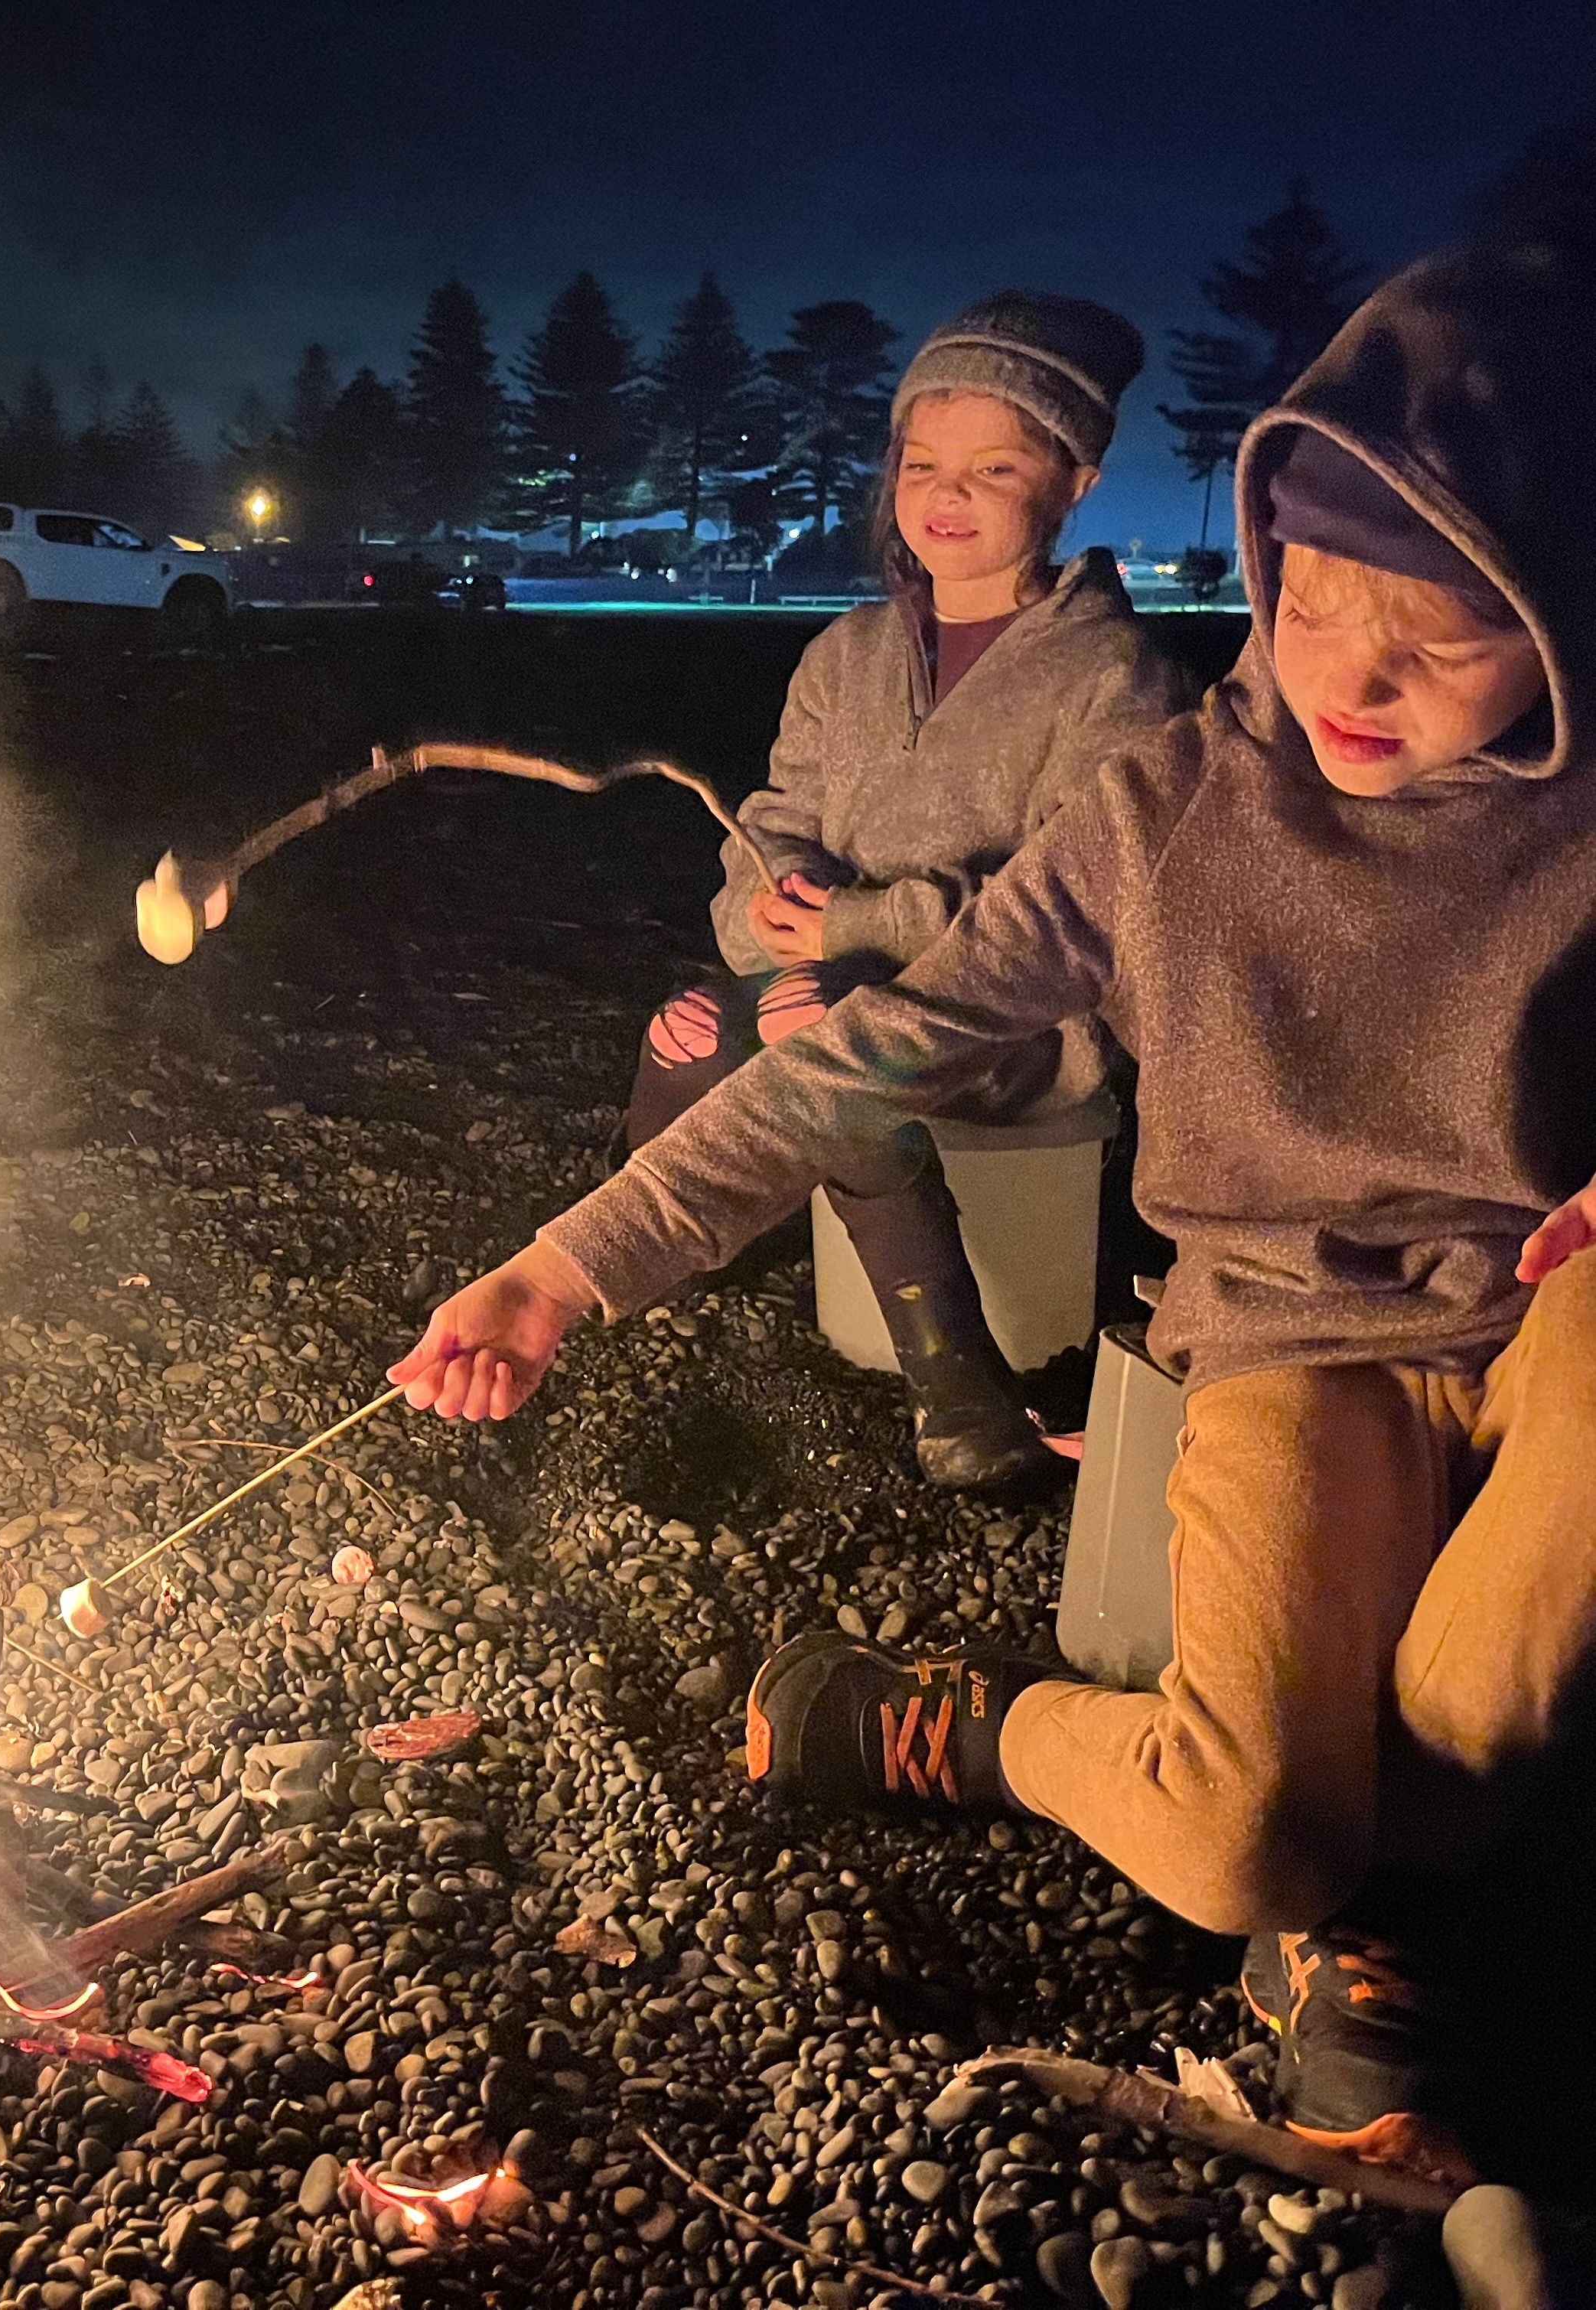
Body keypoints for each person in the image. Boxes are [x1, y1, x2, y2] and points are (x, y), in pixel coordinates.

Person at [388, 241, 1596, 2181]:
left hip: (1553, 1325)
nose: (1347, 680)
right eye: (1307, 609)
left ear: (1555, 611)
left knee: (1471, 1708)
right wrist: (562, 1264)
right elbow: (881, 1053)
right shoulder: (1167, 805)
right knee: (1248, 1835)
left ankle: (1385, 1911)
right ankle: (977, 1734)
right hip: (1303, 1336)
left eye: (1437, 637)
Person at [628, 292, 1191, 1491]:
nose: (948, 495)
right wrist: (770, 900)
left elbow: (1078, 904)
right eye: (923, 463)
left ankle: (957, 1395)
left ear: (1077, 478)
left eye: (995, 466)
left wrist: (859, 927)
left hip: (1019, 1022)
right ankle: (667, 1253)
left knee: (817, 1031)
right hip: (824, 985)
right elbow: (772, 822)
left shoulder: (1121, 681)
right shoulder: (845, 655)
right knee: (688, 1031)